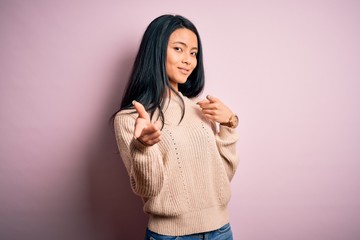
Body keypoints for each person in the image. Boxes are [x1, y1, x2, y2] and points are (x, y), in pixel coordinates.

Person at [112, 14, 239, 240]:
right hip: (172, 236)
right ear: (156, 51)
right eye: (179, 49)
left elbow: (221, 178)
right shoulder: (129, 119)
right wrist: (142, 147)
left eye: (193, 53)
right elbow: (147, 190)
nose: (188, 60)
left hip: (221, 231)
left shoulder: (202, 110)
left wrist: (229, 125)